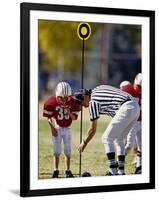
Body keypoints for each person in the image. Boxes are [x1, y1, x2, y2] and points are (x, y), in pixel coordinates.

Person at [75, 85, 140, 175]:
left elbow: (92, 130)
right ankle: (121, 171)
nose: (84, 107)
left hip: (126, 107)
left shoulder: (93, 102)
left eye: (82, 103)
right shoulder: (98, 88)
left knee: (106, 138)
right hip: (135, 106)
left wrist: (84, 142)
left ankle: (112, 171)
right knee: (119, 139)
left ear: (85, 97)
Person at [43, 81, 80, 178]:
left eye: (66, 97)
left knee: (67, 151)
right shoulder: (51, 102)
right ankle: (56, 170)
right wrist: (52, 128)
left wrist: (69, 112)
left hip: (67, 128)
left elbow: (75, 118)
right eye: (62, 97)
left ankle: (68, 170)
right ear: (57, 95)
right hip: (57, 128)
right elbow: (48, 117)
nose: (64, 99)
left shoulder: (72, 102)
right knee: (56, 151)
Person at [120, 73, 142, 174]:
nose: (141, 89)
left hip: (142, 123)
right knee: (129, 145)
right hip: (133, 122)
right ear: (135, 83)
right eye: (139, 86)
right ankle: (119, 161)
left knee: (142, 146)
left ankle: (139, 167)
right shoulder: (128, 91)